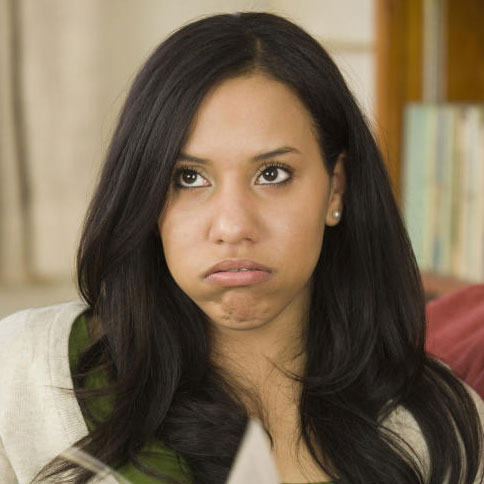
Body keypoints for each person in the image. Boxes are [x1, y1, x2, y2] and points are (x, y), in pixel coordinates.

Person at [0, 11, 483, 484]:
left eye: (272, 174)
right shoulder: (24, 374)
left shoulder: (443, 430)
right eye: (188, 178)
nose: (233, 225)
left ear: (335, 189)